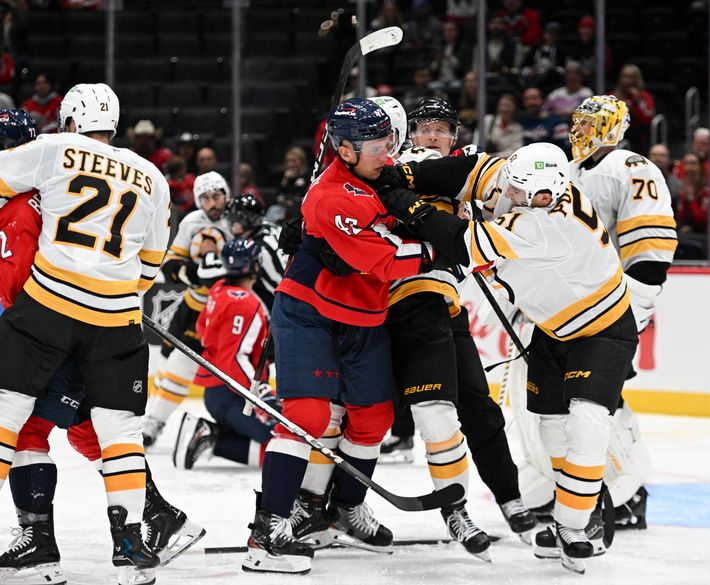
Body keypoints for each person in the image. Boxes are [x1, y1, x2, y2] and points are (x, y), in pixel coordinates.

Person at [372, 141, 639, 574]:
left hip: (603, 328)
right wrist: (408, 176)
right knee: (550, 423)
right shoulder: (531, 182)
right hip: (553, 327)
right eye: (511, 187)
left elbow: (461, 242)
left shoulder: (548, 225)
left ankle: (575, 523)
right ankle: (566, 510)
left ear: (546, 196)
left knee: (588, 422)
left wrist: (407, 203)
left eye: (517, 194)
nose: (506, 195)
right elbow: (471, 170)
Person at [0, 108, 204, 585]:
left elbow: (14, 286)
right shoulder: (136, 174)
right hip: (109, 323)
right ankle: (155, 520)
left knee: (28, 430)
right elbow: (149, 262)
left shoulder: (26, 199)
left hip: (47, 327)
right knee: (96, 431)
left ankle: (40, 547)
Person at [243, 98, 437, 574]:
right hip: (310, 310)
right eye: (376, 145)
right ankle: (267, 530)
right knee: (308, 414)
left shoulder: (383, 171)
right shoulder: (328, 197)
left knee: (373, 419)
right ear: (345, 150)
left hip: (365, 314)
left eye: (389, 141)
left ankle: (341, 509)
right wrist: (445, 245)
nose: (386, 151)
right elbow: (389, 259)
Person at [379, 96, 538, 557]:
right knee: (427, 412)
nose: (432, 135)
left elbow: (497, 193)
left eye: (441, 129)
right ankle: (454, 508)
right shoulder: (391, 164)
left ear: (454, 137)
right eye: (424, 127)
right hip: (398, 302)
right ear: (410, 135)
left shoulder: (460, 167)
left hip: (445, 302)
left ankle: (510, 499)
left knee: (479, 408)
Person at [567, 95, 676, 530]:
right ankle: (581, 492)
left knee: (601, 400)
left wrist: (631, 310)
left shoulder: (631, 168)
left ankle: (629, 494)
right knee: (565, 402)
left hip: (610, 306)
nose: (580, 131)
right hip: (568, 308)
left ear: (612, 127)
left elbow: (651, 251)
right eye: (577, 122)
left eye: (589, 123)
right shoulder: (570, 171)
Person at [142, 172, 231, 447]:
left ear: (226, 195)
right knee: (171, 365)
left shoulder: (237, 220)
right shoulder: (191, 222)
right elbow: (170, 264)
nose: (212, 203)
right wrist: (190, 273)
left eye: (216, 195)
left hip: (226, 310)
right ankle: (153, 423)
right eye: (205, 198)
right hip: (193, 307)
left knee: (183, 368)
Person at [173, 238, 276, 470]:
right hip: (233, 394)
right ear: (255, 266)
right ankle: (212, 437)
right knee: (281, 447)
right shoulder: (247, 304)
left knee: (282, 442)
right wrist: (260, 394)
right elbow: (235, 359)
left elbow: (201, 329)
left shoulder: (218, 289)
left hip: (220, 391)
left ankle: (214, 433)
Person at [611, 65, 655, 154]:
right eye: (624, 76)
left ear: (637, 80)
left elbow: (647, 118)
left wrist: (637, 101)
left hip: (637, 139)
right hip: (616, 136)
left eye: (630, 77)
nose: (627, 80)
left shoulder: (644, 96)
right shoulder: (612, 96)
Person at [483, 93, 525, 159]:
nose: (505, 109)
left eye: (508, 106)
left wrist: (495, 156)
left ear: (514, 108)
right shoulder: (487, 121)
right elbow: (477, 142)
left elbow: (515, 151)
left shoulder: (518, 128)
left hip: (505, 162)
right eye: (502, 105)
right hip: (484, 160)